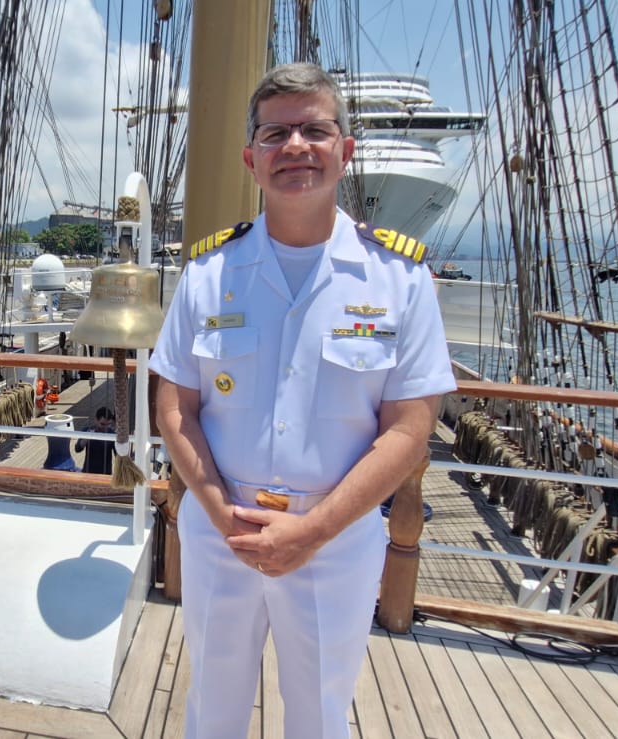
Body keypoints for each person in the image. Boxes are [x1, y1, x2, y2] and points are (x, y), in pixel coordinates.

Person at [148, 62, 456, 739]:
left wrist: (313, 530)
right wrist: (220, 510)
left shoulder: (399, 279)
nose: (295, 147)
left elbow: (410, 429)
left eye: (314, 129)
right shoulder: (206, 274)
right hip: (217, 526)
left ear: (344, 151)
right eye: (276, 133)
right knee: (213, 707)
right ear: (251, 158)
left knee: (320, 714)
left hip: (335, 537)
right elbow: (175, 409)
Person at [74, 406, 116, 475]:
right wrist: (86, 438)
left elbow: (118, 456)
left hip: (105, 475)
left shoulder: (112, 435)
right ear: (96, 420)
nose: (105, 428)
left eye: (108, 424)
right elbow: (77, 449)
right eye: (102, 424)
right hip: (88, 473)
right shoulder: (87, 430)